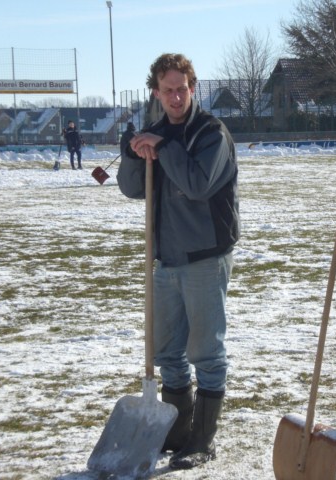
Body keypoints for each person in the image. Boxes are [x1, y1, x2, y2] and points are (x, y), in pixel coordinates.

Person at [116, 53, 239, 470]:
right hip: (165, 258)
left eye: (181, 89)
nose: (175, 97)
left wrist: (164, 146)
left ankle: (203, 439)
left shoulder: (210, 133)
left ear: (193, 87)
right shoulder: (157, 133)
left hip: (205, 256)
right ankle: (177, 430)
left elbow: (197, 183)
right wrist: (133, 154)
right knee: (167, 352)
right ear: (156, 92)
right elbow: (133, 189)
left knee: (206, 351)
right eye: (167, 90)